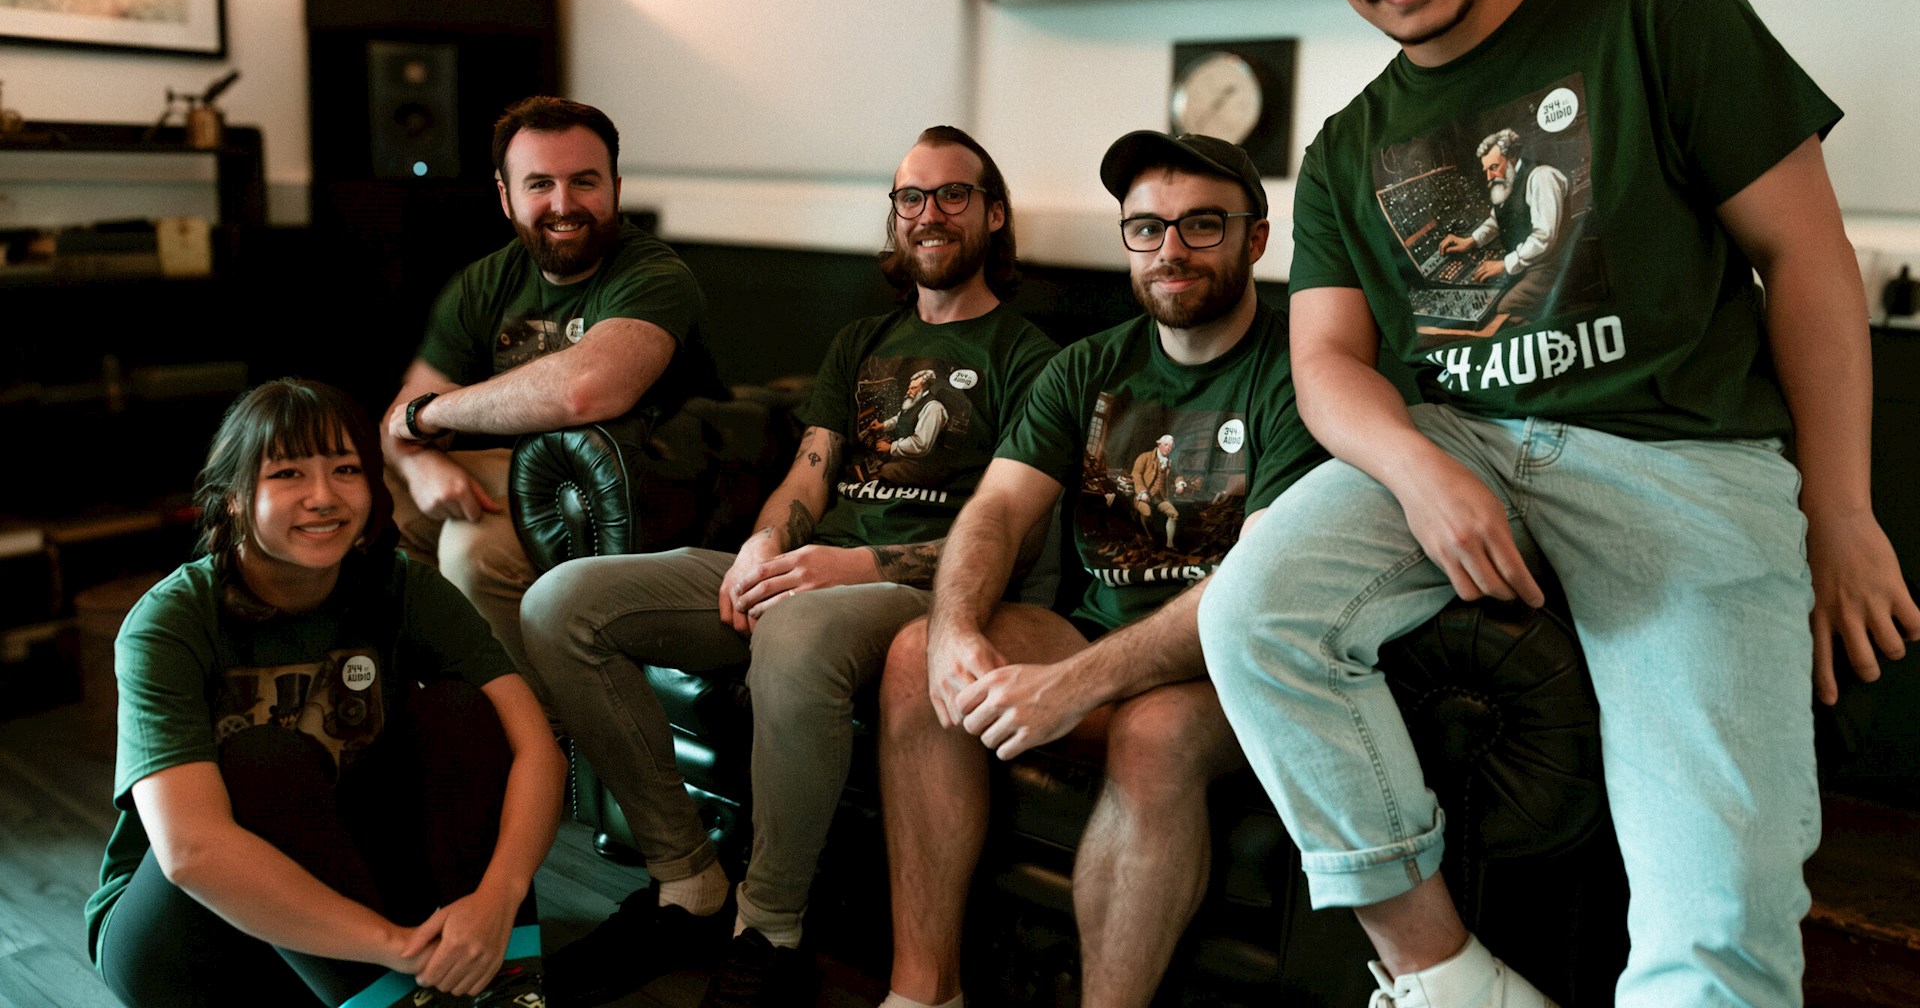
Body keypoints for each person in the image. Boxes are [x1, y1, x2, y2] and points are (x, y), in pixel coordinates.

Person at [1195, 0, 1919, 1008]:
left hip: (1683, 458)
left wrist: (1840, 513)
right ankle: (1445, 975)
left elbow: (1807, 259)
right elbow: (1323, 361)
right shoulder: (1347, 147)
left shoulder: (1656, 9)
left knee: (1716, 915)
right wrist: (1423, 474)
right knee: (1254, 613)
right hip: (1463, 436)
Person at [520, 126, 1058, 1008]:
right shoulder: (859, 344)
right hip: (817, 565)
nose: (930, 214)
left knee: (801, 626)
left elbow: (1015, 535)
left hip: (913, 588)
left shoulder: (1033, 359)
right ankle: (688, 879)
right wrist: (768, 545)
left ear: (993, 216)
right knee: (560, 604)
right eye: (910, 198)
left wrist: (850, 565)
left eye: (953, 195)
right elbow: (806, 477)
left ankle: (769, 928)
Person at [877, 131, 1325, 1008]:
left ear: (1257, 238)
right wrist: (956, 627)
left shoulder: (1297, 374)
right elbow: (997, 512)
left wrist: (1077, 682)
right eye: (1147, 227)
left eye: (1202, 225)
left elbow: (1254, 595)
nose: (1171, 251)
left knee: (1150, 733)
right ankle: (924, 993)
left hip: (1231, 670)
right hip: (1095, 638)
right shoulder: (1088, 366)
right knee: (913, 653)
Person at [87, 378, 566, 1008]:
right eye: (287, 473)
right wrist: (396, 947)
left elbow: (537, 749)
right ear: (232, 498)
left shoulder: (404, 590)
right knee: (262, 758)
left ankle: (499, 979)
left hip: (364, 896)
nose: (323, 497)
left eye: (346, 469)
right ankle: (397, 997)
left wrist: (497, 897)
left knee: (462, 711)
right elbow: (191, 851)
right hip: (199, 933)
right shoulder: (169, 622)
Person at [381, 95, 722, 689]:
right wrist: (420, 468)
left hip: (634, 496)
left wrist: (431, 416)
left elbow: (586, 392)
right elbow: (401, 419)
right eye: (539, 184)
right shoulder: (488, 280)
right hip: (519, 478)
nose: (564, 205)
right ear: (505, 195)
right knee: (369, 503)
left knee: (473, 552)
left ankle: (542, 739)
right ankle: (416, 707)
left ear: (614, 187)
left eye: (583, 182)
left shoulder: (655, 275)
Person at [1436, 128, 1569, 322]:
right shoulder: (1507, 181)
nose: (1489, 177)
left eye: (1494, 167)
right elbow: (1497, 220)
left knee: (1504, 307)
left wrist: (1505, 265)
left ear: (1512, 157)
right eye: (1486, 170)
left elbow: (1544, 237)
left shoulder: (1541, 177)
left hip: (1550, 266)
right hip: (1526, 262)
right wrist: (1471, 241)